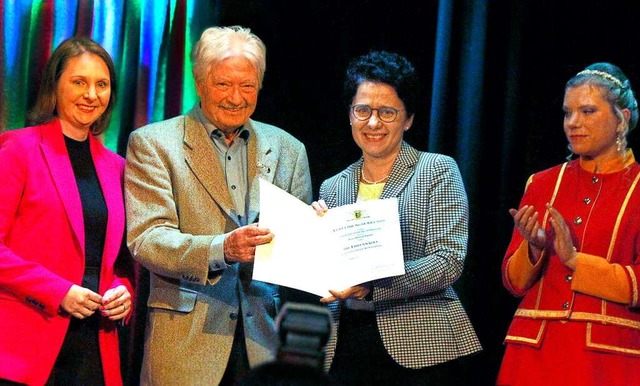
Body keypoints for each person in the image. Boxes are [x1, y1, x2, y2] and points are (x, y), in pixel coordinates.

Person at [124, 25, 313, 385]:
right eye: (223, 84)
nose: (236, 97)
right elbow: (148, 239)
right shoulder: (154, 144)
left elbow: (297, 255)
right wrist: (221, 249)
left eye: (247, 86)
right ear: (200, 82)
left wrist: (314, 234)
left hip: (263, 344)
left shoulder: (289, 148)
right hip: (185, 344)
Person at [311, 50, 482, 386]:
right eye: (362, 110)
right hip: (346, 345)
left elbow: (448, 261)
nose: (373, 123)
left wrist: (370, 286)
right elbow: (328, 274)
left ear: (408, 119)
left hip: (421, 347)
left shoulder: (436, 170)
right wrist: (313, 235)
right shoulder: (333, 187)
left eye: (386, 112)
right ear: (350, 115)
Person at [0, 37, 134, 386]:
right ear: (55, 87)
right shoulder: (19, 149)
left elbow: (115, 262)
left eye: (101, 84)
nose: (91, 94)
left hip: (93, 348)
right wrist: (57, 291)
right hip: (24, 345)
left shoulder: (118, 167)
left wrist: (123, 290)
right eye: (79, 82)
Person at [498, 62, 640, 386]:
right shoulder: (541, 183)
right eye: (567, 113)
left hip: (609, 360)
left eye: (587, 111)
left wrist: (578, 263)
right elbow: (513, 283)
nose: (572, 123)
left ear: (622, 120)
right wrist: (534, 249)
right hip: (532, 357)